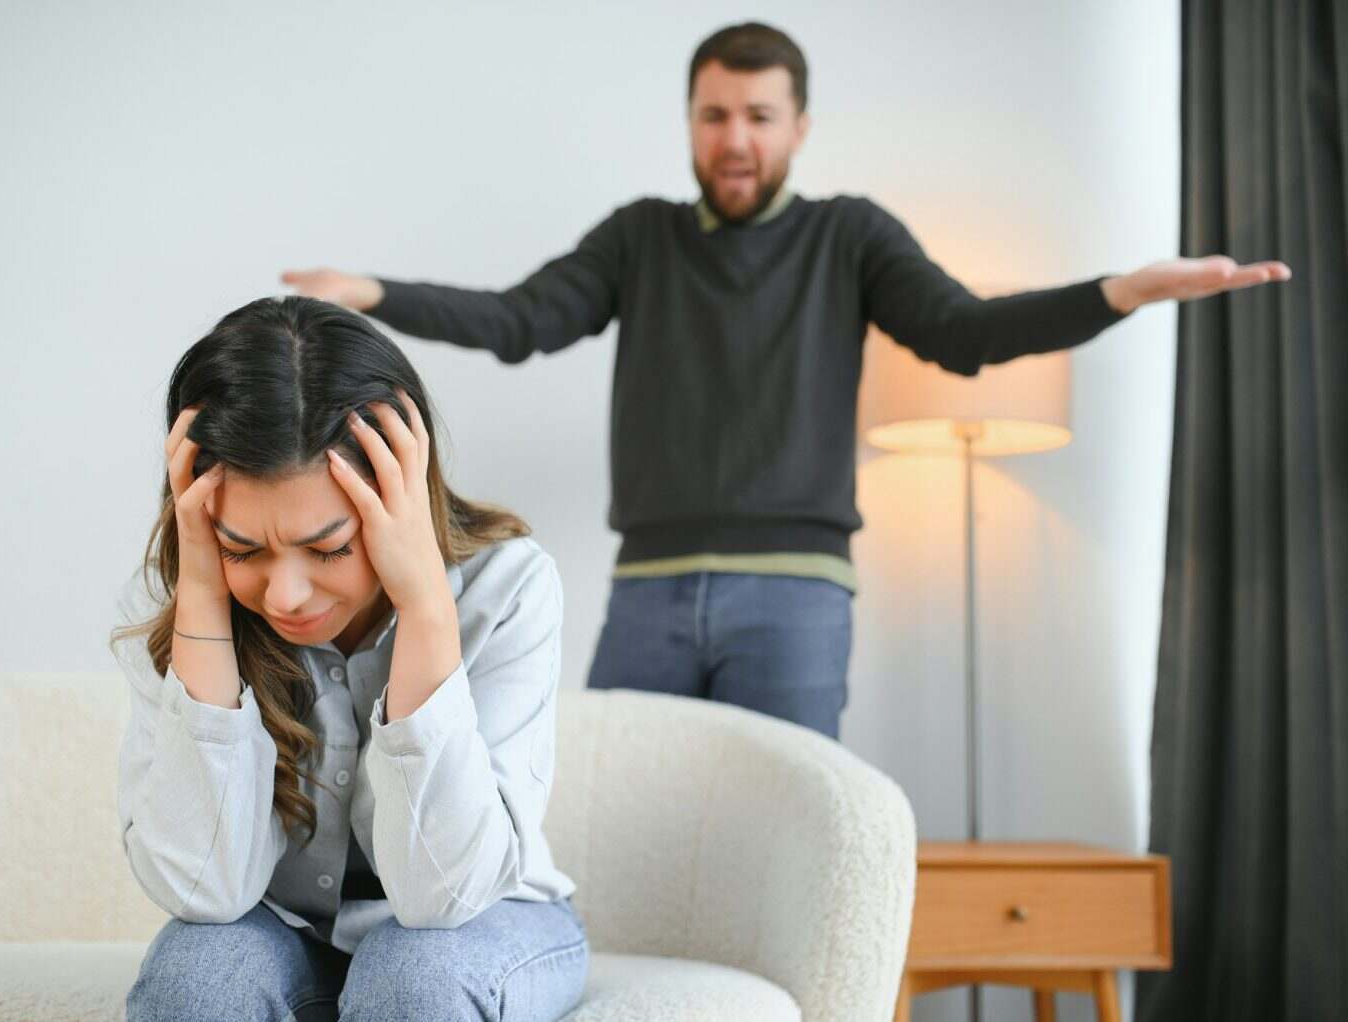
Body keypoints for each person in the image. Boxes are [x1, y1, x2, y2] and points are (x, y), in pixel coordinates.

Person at [280, 22, 1290, 743]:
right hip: (650, 591)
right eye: (715, 115)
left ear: (799, 125)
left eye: (759, 116)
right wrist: (373, 290)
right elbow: (519, 321)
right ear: (689, 121)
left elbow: (965, 334)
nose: (735, 139)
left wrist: (1122, 290)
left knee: (790, 839)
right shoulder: (642, 237)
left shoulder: (848, 234)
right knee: (609, 817)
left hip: (796, 593)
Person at [110, 296, 587, 1022]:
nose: (288, 594)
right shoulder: (183, 607)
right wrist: (205, 595)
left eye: (329, 547)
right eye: (245, 549)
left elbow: (441, 898)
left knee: (413, 979)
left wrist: (426, 607)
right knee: (197, 978)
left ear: (400, 491)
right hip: (288, 931)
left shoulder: (508, 587)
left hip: (483, 920)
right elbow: (205, 893)